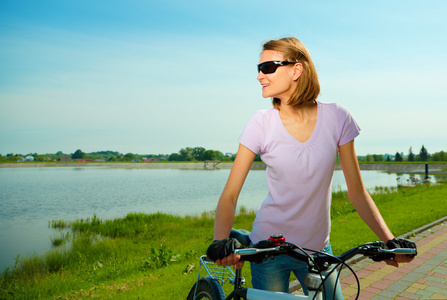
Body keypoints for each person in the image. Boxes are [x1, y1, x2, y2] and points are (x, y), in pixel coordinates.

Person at [207, 37, 415, 298]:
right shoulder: (260, 123)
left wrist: (389, 241)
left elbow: (357, 192)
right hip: (269, 251)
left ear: (296, 70)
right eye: (258, 69)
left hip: (318, 252)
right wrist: (221, 242)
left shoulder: (338, 117)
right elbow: (230, 194)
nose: (260, 75)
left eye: (268, 67)